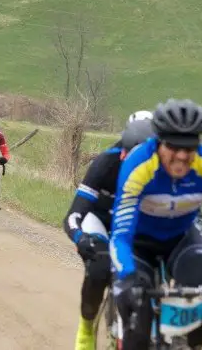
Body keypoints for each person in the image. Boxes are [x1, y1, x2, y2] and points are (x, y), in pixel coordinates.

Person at [110, 99, 202, 350]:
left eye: (189, 148)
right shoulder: (139, 165)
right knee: (137, 330)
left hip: (182, 239)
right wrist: (126, 278)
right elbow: (120, 236)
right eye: (173, 147)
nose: (181, 156)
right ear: (158, 143)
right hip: (138, 244)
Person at [64, 114, 155, 350]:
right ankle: (86, 327)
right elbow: (75, 214)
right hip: (101, 222)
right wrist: (79, 237)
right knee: (99, 269)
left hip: (135, 228)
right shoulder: (105, 163)